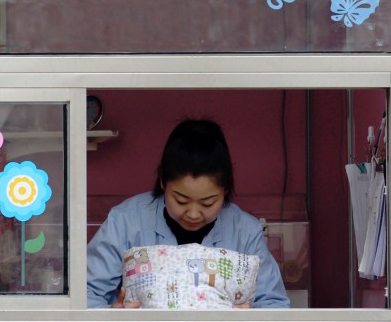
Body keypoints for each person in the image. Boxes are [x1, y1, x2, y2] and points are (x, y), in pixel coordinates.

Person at [86, 118, 290, 308]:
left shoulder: (245, 232)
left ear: (226, 189)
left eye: (208, 203)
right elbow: (85, 293)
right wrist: (113, 317)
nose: (193, 214)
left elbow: (275, 305)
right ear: (163, 182)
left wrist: (251, 318)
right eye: (181, 200)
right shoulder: (125, 221)